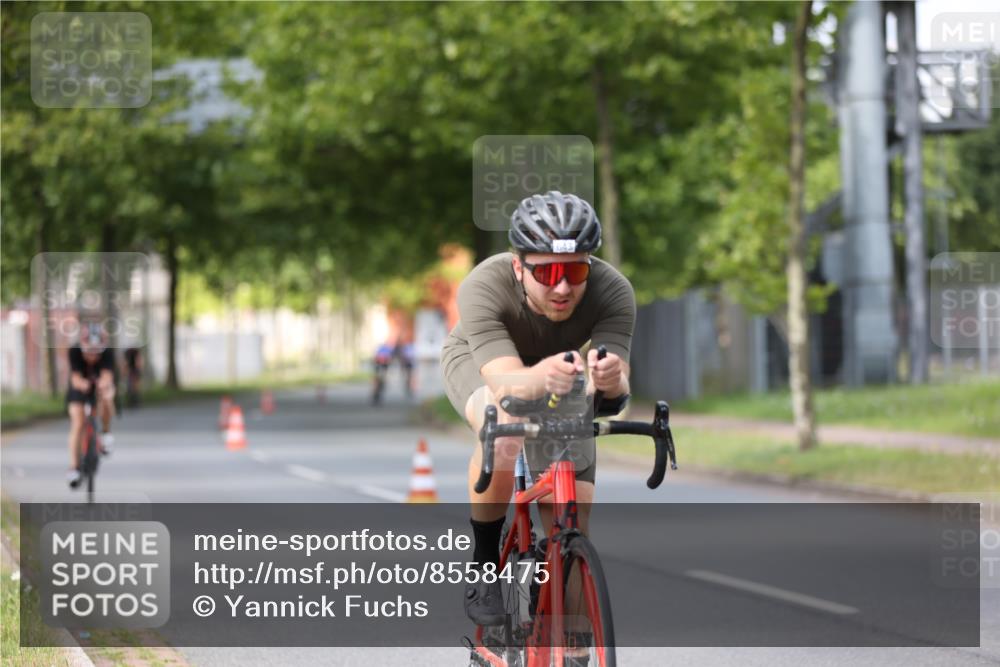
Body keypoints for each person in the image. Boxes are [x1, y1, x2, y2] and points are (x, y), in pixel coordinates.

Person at [441, 191, 635, 625]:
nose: (563, 287)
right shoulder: (483, 285)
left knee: (574, 522)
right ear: (518, 266)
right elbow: (508, 383)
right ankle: (485, 559)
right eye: (546, 272)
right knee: (503, 422)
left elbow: (618, 387)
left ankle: (572, 643)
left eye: (576, 270)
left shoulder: (613, 290)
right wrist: (546, 375)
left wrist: (609, 379)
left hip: (558, 371)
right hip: (484, 364)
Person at [66, 323, 116, 488]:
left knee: (108, 398)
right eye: (89, 352)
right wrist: (83, 384)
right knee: (78, 422)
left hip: (99, 385)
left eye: (97, 352)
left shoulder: (108, 353)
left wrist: (103, 385)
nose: (93, 356)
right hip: (80, 386)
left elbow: (107, 376)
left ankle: (106, 432)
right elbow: (75, 378)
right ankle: (74, 467)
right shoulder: (74, 352)